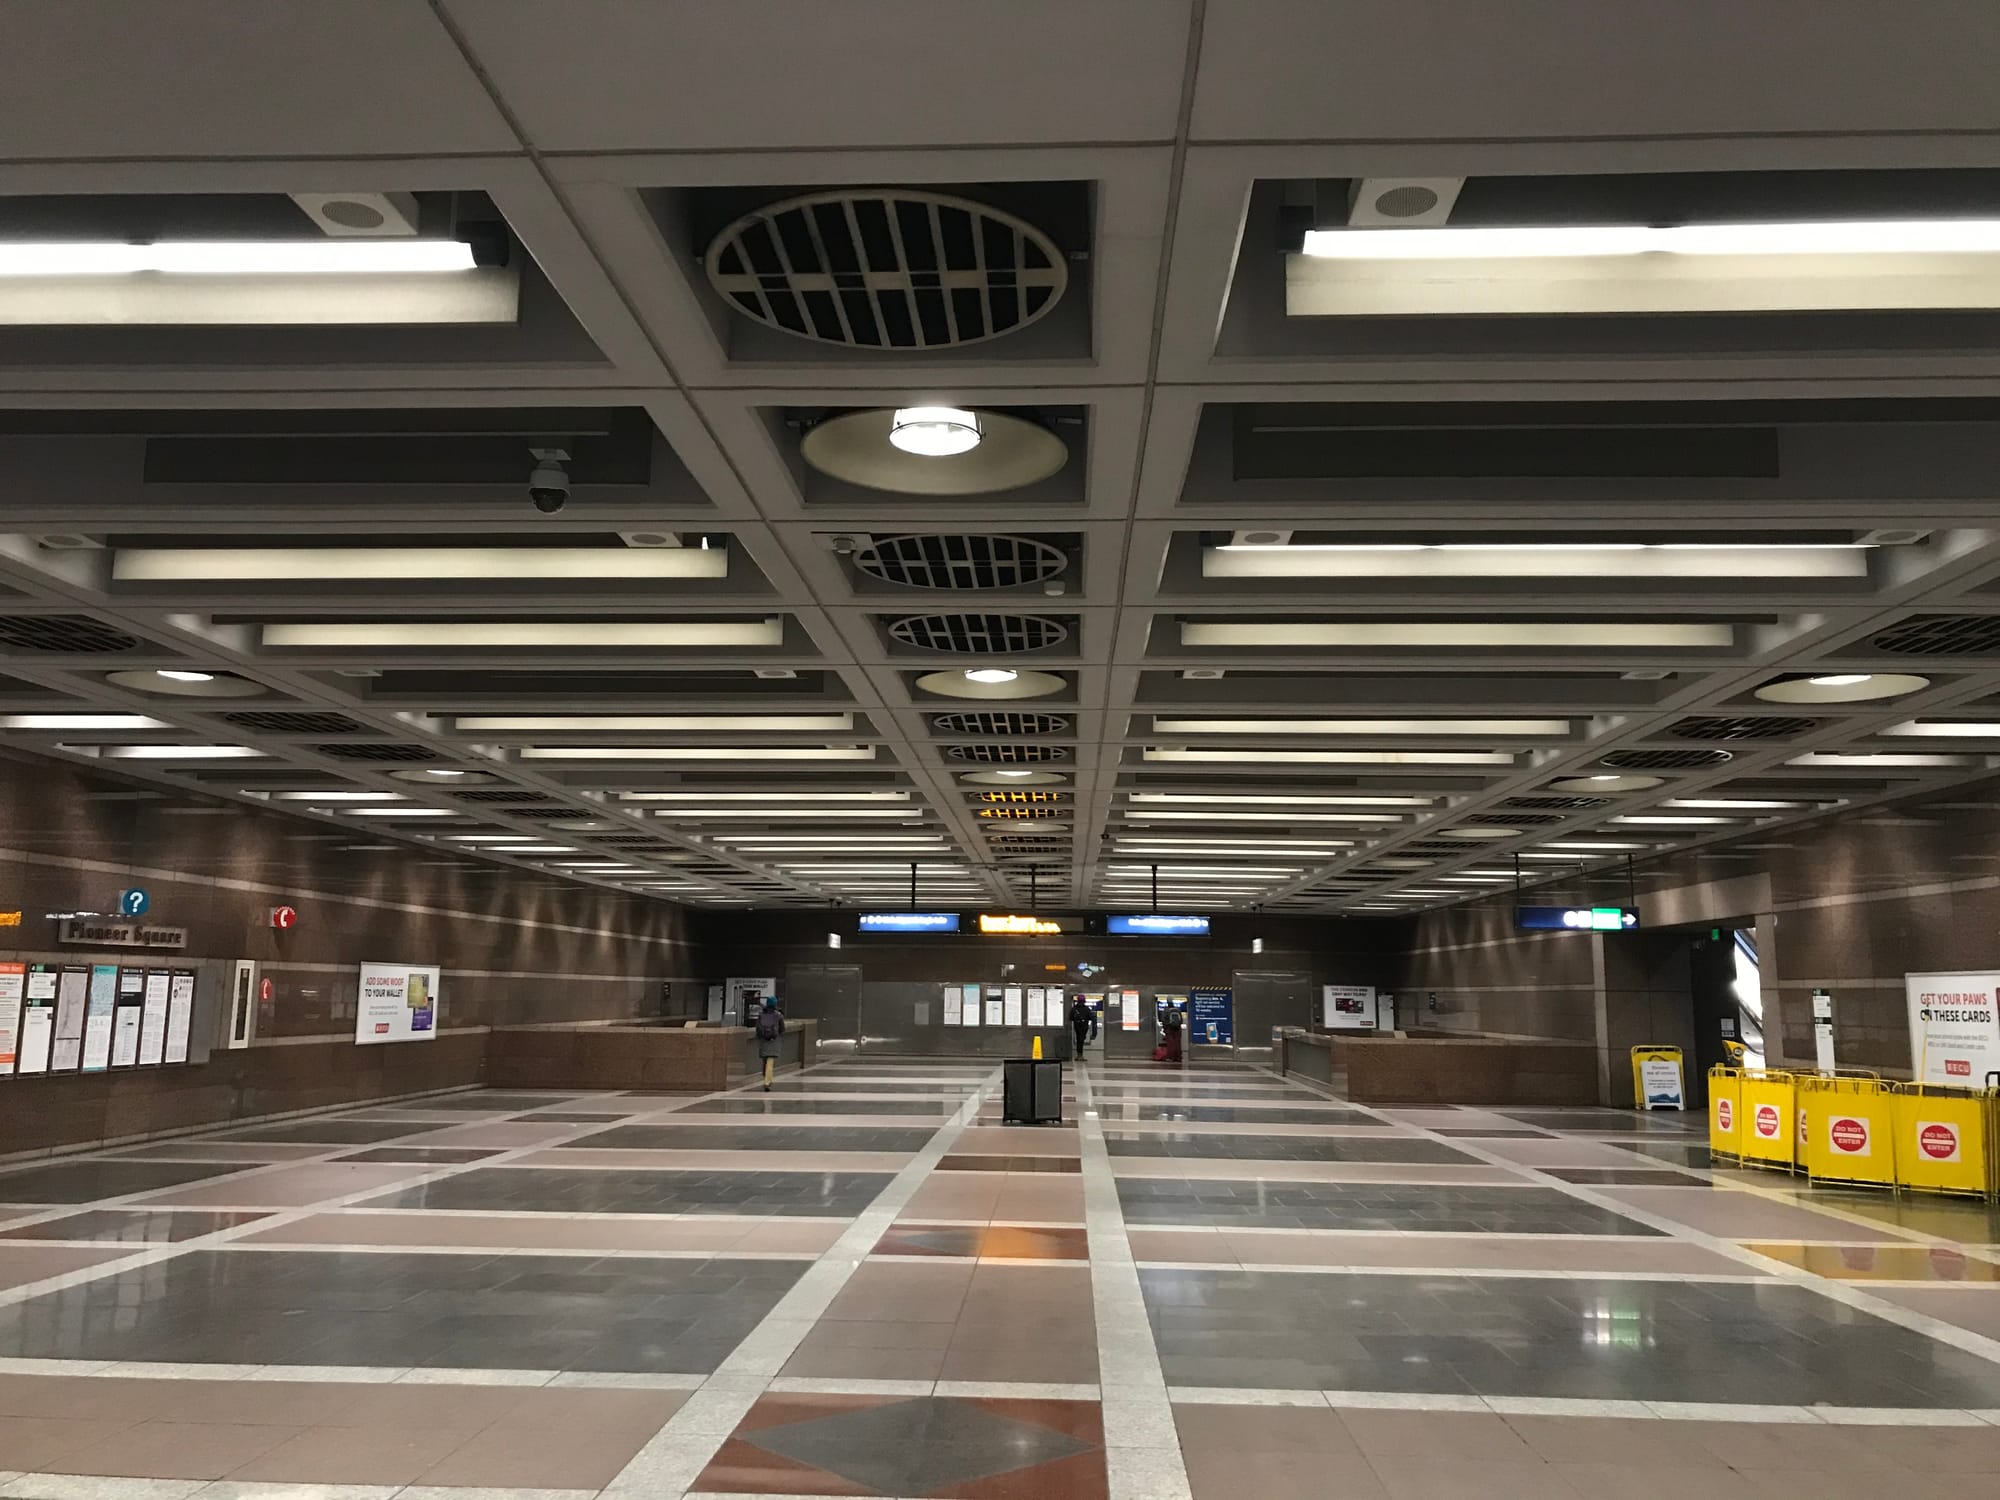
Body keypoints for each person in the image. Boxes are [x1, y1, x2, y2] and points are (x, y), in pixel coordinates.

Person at [755, 996, 785, 1091]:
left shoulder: (761, 1015)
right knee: (770, 1062)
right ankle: (767, 1082)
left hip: (763, 1040)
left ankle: (765, 1077)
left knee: (765, 1060)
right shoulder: (778, 1015)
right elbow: (782, 1029)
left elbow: (757, 1028)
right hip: (774, 1040)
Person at [1068, 994, 1092, 1061]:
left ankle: (1079, 1055)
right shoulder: (1087, 1009)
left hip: (1077, 1026)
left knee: (1079, 1039)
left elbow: (1071, 1018)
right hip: (1084, 1026)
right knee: (1081, 1040)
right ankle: (1080, 1056)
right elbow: (1090, 1017)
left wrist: (1077, 1019)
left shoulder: (1074, 1009)